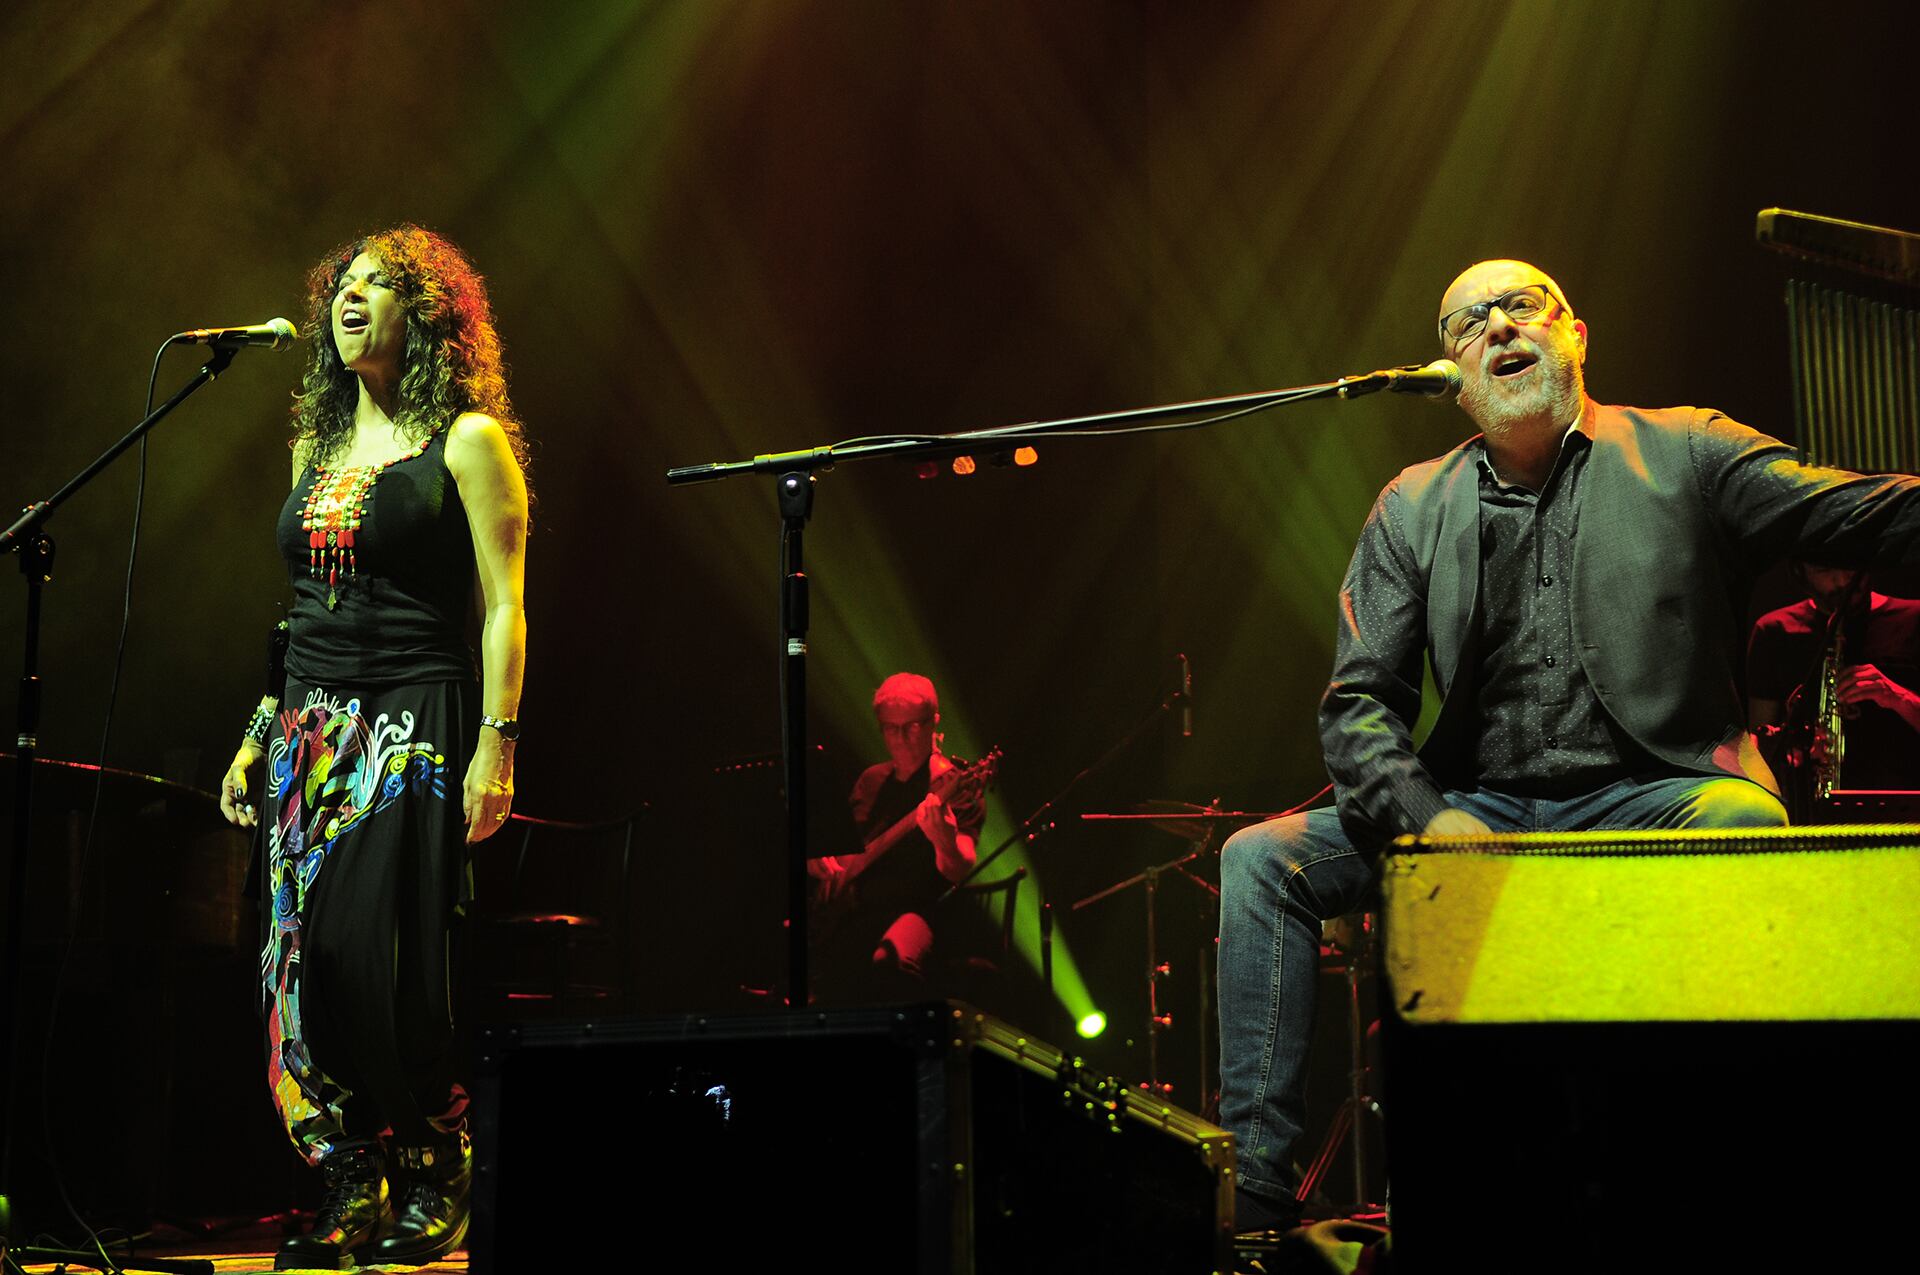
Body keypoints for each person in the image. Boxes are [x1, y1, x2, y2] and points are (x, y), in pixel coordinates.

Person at [1215, 259, 1920, 1233]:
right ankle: (1249, 1205)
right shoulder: (1412, 505)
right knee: (1262, 861)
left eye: (1521, 306)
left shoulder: (1686, 450)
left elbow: (1858, 511)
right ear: (1453, 375)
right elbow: (1358, 709)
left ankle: (1752, 1185)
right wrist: (1433, 821)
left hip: (1659, 789)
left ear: (1575, 334)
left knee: (1745, 825)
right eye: (1470, 322)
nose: (1499, 327)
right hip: (1477, 807)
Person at [217, 225, 530, 1269]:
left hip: (415, 719)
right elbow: (297, 611)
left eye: (379, 286)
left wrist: (498, 744)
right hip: (312, 730)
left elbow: (503, 605)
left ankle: (439, 1158)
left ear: (427, 315)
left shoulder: (469, 440)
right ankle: (352, 1175)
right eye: (341, 287)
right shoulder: (313, 450)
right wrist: (262, 734)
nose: (351, 300)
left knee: (377, 954)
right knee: (294, 967)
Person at [810, 672, 987, 998]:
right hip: (856, 909)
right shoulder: (871, 780)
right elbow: (834, 846)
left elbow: (959, 868)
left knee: (890, 964)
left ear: (934, 722)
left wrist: (944, 842)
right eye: (891, 728)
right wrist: (819, 862)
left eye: (914, 726)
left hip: (924, 910)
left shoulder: (956, 787)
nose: (902, 737)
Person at [1748, 563, 1920, 810]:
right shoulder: (1775, 630)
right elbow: (1759, 741)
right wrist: (1794, 746)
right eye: (1824, 570)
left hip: (1905, 809)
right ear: (1801, 573)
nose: (1842, 581)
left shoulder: (1913, 619)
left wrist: (1897, 696)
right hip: (1807, 810)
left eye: (1850, 565)